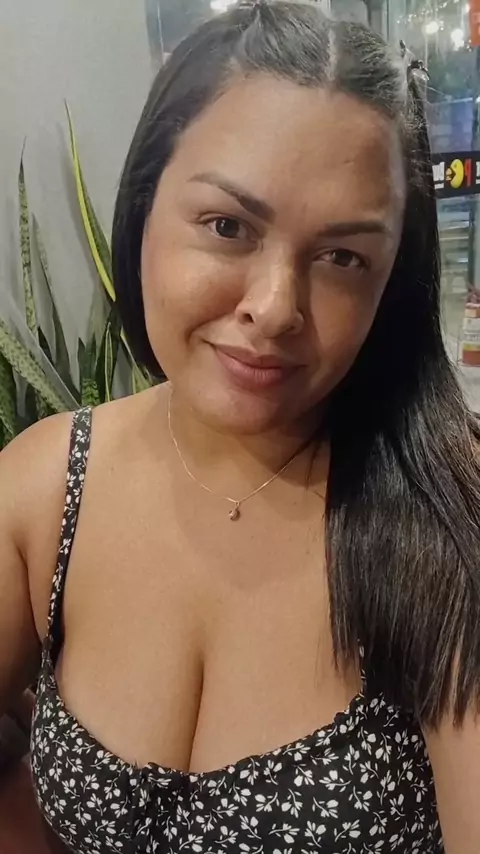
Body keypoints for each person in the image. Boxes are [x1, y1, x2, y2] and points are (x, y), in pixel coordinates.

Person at [0, 2, 479, 852]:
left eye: (342, 258)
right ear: (144, 205)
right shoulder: (44, 490)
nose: (275, 307)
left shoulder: (446, 519)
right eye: (227, 227)